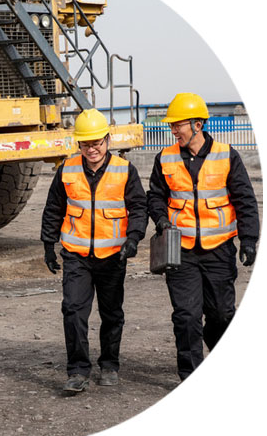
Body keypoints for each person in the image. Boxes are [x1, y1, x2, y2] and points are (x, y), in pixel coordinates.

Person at [147, 93, 259, 381]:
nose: (173, 130)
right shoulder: (166, 158)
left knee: (221, 314)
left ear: (197, 124)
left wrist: (248, 240)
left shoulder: (227, 155)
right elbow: (155, 196)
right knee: (186, 317)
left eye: (178, 125)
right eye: (171, 125)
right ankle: (190, 376)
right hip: (180, 250)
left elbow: (245, 199)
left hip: (218, 250)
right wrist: (160, 219)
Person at [41, 108, 148, 393]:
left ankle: (110, 364)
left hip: (113, 255)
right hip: (76, 255)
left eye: (97, 143)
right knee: (73, 311)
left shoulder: (125, 170)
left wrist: (134, 238)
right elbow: (54, 208)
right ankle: (77, 371)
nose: (92, 149)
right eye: (86, 144)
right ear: (79, 144)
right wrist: (48, 244)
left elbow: (139, 207)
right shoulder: (67, 169)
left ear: (107, 140)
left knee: (112, 313)